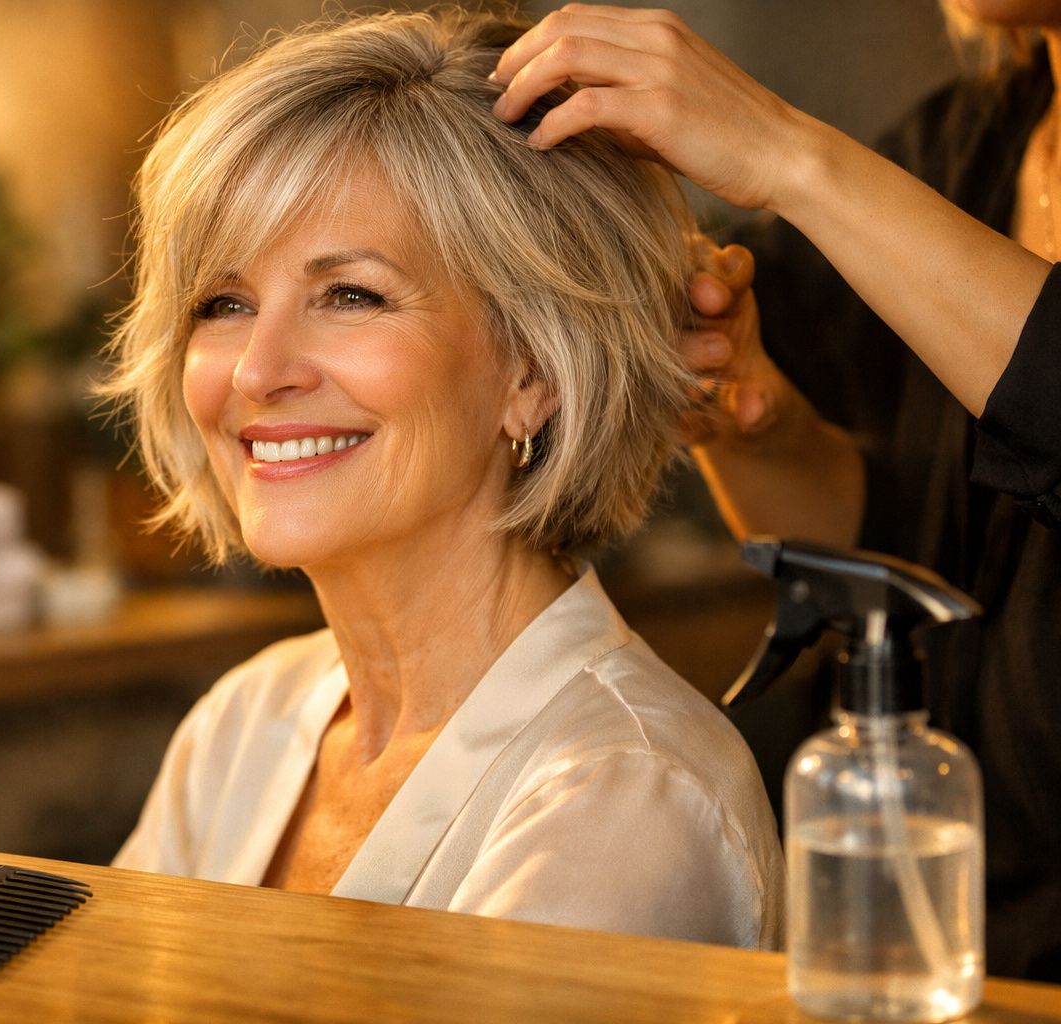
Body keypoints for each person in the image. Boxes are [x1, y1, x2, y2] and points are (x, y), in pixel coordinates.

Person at [102, 9, 783, 949]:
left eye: (351, 295)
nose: (258, 371)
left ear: (533, 371)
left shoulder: (628, 797)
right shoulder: (244, 724)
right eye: (223, 303)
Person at [490, 2, 1061, 980]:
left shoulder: (854, 176)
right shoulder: (965, 144)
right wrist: (754, 427)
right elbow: (909, 568)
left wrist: (788, 154)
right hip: (949, 955)